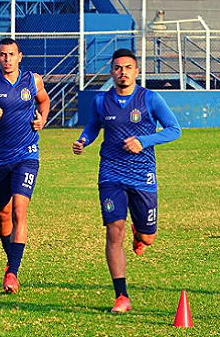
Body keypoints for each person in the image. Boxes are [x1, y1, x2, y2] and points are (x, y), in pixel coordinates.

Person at [72, 48, 182, 313]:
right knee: (113, 231)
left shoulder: (150, 99)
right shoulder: (101, 101)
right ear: (111, 72)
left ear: (137, 71)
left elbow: (174, 130)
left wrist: (143, 142)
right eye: (118, 68)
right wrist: (84, 140)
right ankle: (121, 296)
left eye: (128, 68)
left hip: (142, 175)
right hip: (110, 173)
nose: (123, 72)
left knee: (149, 236)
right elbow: (93, 125)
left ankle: (140, 233)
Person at [0, 38, 50, 294]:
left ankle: (12, 272)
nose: (7, 59)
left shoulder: (32, 81)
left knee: (19, 211)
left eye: (11, 54)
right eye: (3, 55)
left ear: (20, 56)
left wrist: (42, 119)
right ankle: (11, 262)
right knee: (3, 215)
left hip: (26, 155)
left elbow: (44, 101)